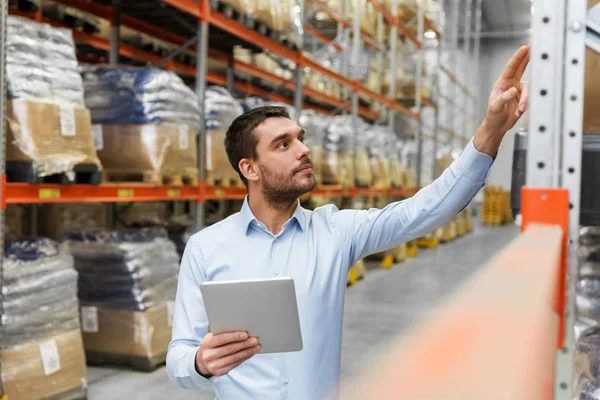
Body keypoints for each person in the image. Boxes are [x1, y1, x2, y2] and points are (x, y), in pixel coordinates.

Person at [166, 45, 530, 399]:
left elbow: (426, 208)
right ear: (249, 169)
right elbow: (179, 356)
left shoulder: (335, 232)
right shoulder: (206, 247)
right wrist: (199, 362)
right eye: (283, 144)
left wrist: (492, 129)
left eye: (300, 139)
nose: (303, 149)